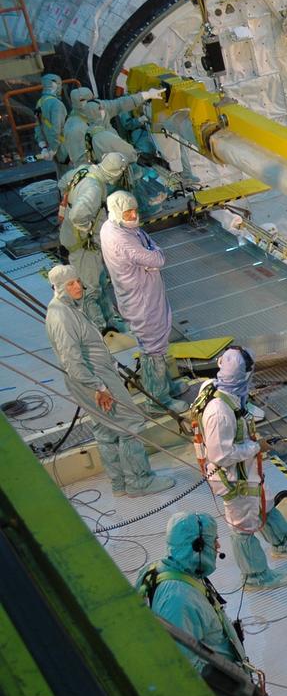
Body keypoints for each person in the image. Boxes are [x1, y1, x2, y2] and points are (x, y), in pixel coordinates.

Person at [135, 512, 275, 696]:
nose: (218, 546)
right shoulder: (178, 599)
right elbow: (187, 667)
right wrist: (240, 688)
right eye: (213, 541)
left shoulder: (166, 570)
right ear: (197, 546)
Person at [45, 264, 176, 497]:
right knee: (130, 423)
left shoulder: (66, 308)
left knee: (105, 429)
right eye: (70, 284)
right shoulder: (62, 316)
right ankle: (139, 481)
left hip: (90, 378)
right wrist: (99, 387)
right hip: (94, 378)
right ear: (58, 287)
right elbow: (72, 360)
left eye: (78, 281)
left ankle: (119, 483)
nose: (78, 286)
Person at [195, 347, 287, 591]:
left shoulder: (221, 390)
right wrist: (254, 447)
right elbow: (220, 455)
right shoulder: (219, 413)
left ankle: (284, 544)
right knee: (242, 527)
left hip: (246, 470)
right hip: (232, 478)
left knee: (265, 503)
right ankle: (255, 577)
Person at [100, 191, 183, 410]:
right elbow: (157, 258)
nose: (134, 215)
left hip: (143, 295)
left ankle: (166, 386)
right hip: (142, 301)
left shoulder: (113, 226)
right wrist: (153, 254)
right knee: (153, 347)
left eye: (135, 210)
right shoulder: (121, 239)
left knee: (158, 343)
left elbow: (148, 246)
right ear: (117, 211)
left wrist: (151, 254)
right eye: (128, 212)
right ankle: (158, 399)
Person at [59, 152, 130, 332]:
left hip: (80, 241)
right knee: (90, 289)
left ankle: (109, 321)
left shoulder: (84, 170)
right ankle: (99, 330)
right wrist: (87, 228)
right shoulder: (94, 189)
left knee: (100, 282)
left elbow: (62, 184)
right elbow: (77, 215)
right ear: (115, 173)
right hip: (83, 246)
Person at [63, 86, 159, 167]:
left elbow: (119, 104)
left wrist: (147, 95)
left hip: (119, 159)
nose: (101, 108)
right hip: (103, 169)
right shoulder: (74, 129)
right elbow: (80, 162)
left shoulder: (99, 106)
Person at [34, 73, 68, 170]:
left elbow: (38, 126)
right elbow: (56, 128)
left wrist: (44, 147)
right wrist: (53, 149)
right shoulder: (56, 104)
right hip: (63, 146)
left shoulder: (40, 102)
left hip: (51, 146)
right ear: (54, 84)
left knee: (61, 173)